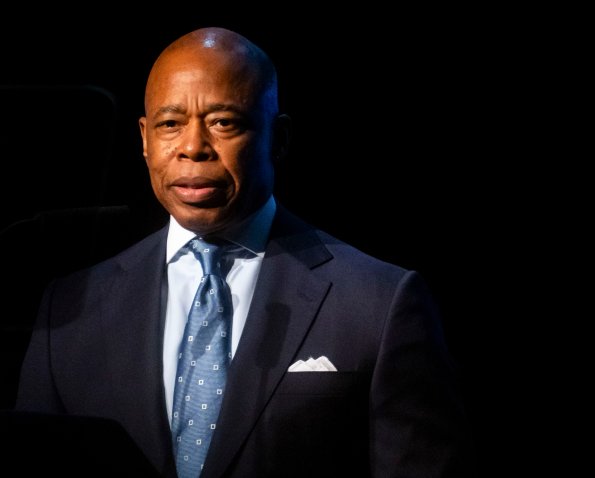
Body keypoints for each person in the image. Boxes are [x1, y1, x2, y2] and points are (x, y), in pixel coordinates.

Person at [16, 27, 473, 477]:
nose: (193, 148)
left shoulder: (379, 304)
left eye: (223, 123)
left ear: (279, 138)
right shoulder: (69, 313)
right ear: (144, 139)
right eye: (170, 124)